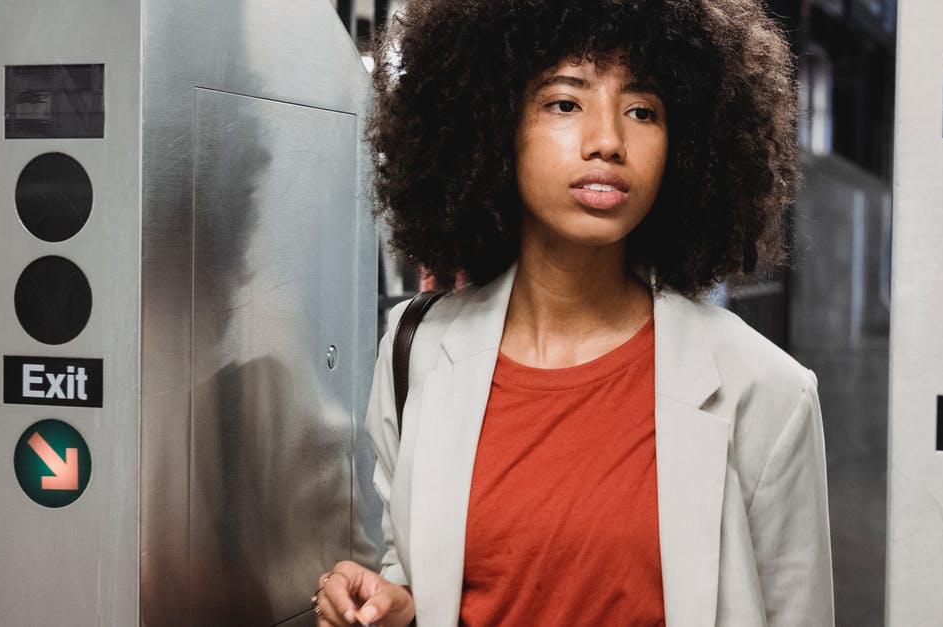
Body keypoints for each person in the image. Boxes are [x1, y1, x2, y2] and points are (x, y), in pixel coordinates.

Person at [314, 0, 833, 625]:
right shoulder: (416, 348)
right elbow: (420, 566)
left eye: (643, 111)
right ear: (492, 121)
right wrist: (392, 607)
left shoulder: (766, 392)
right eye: (566, 102)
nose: (609, 140)